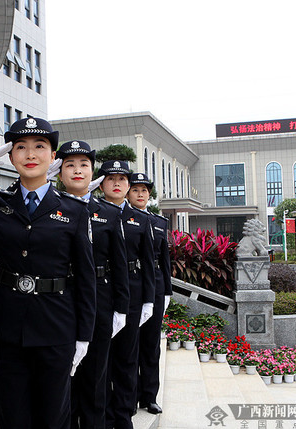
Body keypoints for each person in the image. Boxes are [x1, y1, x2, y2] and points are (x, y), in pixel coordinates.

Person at [0, 119, 96, 429]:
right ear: (11, 156)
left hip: (56, 326)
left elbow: (85, 276)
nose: (30, 154)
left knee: (54, 416)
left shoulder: (73, 210)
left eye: (39, 147)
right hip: (6, 327)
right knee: (12, 415)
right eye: (21, 147)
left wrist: (84, 334)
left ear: (53, 156)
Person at [52, 140, 129, 429]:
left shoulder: (109, 213)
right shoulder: (51, 208)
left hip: (100, 299)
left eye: (83, 164)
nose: (77, 170)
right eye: (69, 165)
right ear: (59, 172)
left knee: (96, 375)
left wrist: (121, 308)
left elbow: (119, 264)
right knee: (63, 379)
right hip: (62, 299)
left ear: (92, 171)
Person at [98, 161, 156, 429]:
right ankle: (102, 414)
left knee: (126, 359)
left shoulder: (141, 219)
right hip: (100, 293)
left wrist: (149, 300)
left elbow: (149, 263)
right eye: (111, 178)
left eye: (123, 179)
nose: (117, 183)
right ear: (101, 183)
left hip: (132, 293)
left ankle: (123, 417)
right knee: (100, 361)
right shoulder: (90, 213)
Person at [127, 173, 173, 415]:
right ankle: (131, 395)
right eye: (135, 189)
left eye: (144, 190)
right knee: (130, 343)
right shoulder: (122, 219)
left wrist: (167, 292)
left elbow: (165, 260)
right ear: (127, 192)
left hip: (154, 284)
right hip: (133, 283)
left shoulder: (159, 222)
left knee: (151, 344)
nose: (141, 194)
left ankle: (149, 396)